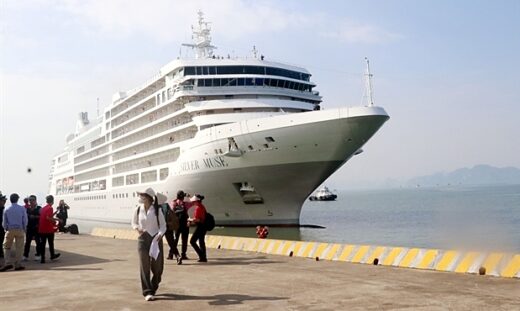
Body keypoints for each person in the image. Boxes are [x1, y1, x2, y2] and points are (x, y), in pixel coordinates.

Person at [131, 188, 166, 302]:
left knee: (158, 268)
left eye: (143, 195)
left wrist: (160, 235)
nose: (140, 196)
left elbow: (163, 226)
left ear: (149, 198)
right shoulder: (137, 209)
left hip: (155, 239)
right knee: (144, 266)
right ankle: (147, 291)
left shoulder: (157, 209)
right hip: (142, 240)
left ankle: (154, 285)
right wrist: (137, 229)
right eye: (140, 194)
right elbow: (133, 222)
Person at [0, 193, 28, 271]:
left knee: (6, 246)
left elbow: (4, 221)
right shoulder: (22, 208)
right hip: (19, 229)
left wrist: (5, 229)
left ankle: (7, 263)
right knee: (19, 247)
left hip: (10, 229)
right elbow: (25, 220)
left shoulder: (7, 209)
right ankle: (18, 264)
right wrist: (24, 228)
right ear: (17, 199)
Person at [171, 190, 193, 264]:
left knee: (175, 240)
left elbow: (172, 211)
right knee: (184, 240)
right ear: (183, 197)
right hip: (184, 224)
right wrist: (189, 196)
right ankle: (183, 254)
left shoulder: (174, 203)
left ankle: (171, 254)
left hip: (177, 224)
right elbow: (192, 202)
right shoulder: (185, 204)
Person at [38, 195, 61, 263]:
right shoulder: (50, 208)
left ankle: (43, 258)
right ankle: (52, 255)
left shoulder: (44, 208)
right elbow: (48, 218)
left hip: (42, 229)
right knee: (51, 243)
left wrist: (55, 213)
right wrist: (57, 219)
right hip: (48, 229)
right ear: (52, 201)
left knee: (43, 244)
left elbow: (47, 216)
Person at [188, 194, 207, 262]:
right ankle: (203, 257)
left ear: (197, 201)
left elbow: (198, 219)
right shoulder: (202, 207)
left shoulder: (198, 208)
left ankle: (201, 255)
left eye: (194, 201)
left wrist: (190, 220)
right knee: (201, 241)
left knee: (192, 241)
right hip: (204, 226)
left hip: (200, 226)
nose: (193, 203)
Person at [23, 195, 42, 261]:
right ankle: (25, 255)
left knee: (38, 242)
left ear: (35, 200)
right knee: (27, 242)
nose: (31, 201)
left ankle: (38, 254)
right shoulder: (26, 209)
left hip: (36, 227)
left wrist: (35, 217)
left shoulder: (39, 208)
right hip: (29, 228)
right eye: (30, 200)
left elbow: (42, 217)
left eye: (32, 200)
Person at [0, 192, 6, 265]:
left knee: (2, 240)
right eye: (3, 200)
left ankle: (1, 252)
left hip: (2, 228)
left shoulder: (4, 209)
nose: (4, 202)